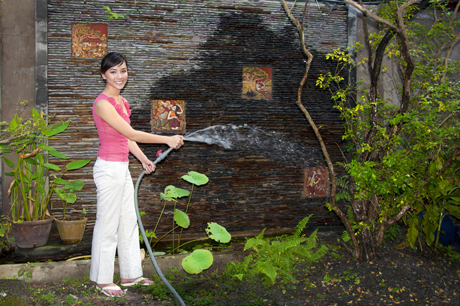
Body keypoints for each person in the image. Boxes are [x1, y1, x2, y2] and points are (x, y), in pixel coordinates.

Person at [90, 52, 184, 297]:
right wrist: (167, 139)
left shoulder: (122, 102)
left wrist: (143, 159)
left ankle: (131, 275)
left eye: (123, 70)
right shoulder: (103, 103)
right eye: (113, 72)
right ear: (104, 75)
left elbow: (125, 138)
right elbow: (131, 133)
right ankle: (102, 280)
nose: (119, 76)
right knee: (108, 224)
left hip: (121, 167)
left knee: (128, 222)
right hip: (108, 169)